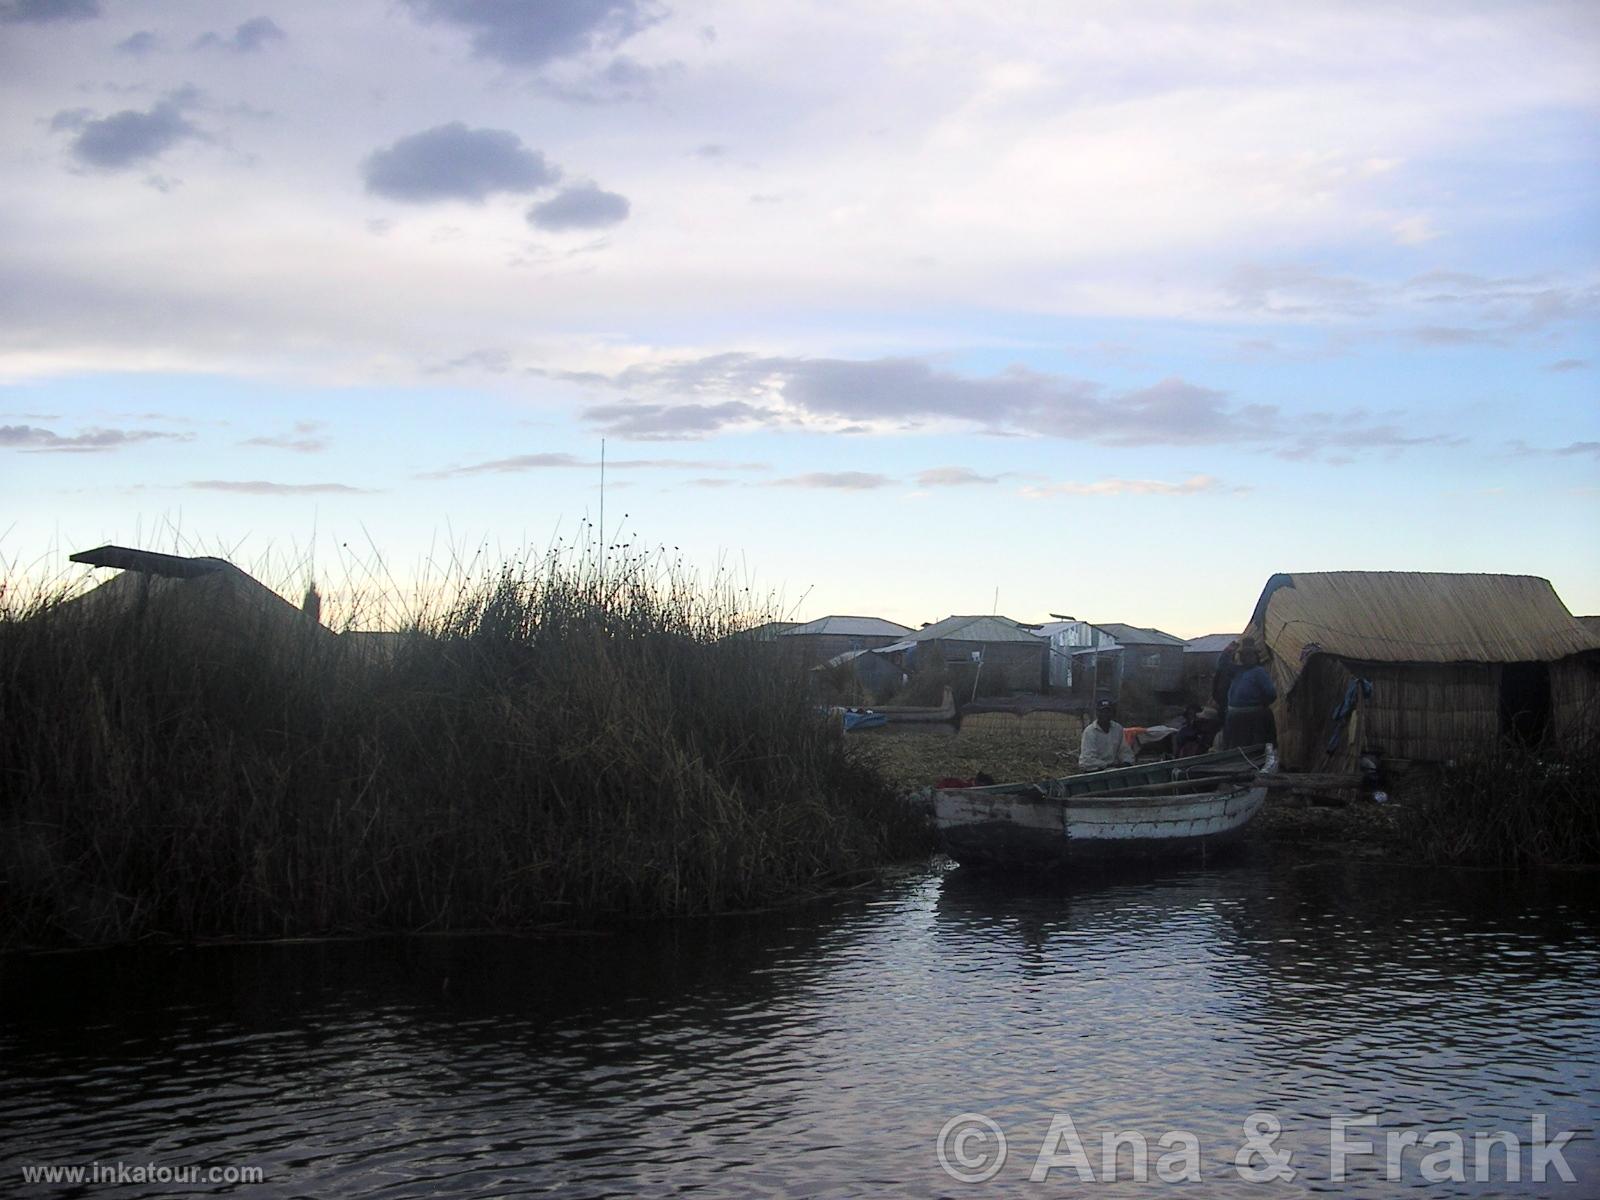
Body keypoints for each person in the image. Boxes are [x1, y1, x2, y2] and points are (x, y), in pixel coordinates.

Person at [1223, 640, 1278, 750]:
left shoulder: (1259, 672)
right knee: (1234, 748)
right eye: (1243, 655)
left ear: (1255, 657)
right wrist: (1228, 651)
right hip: (1234, 716)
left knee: (1254, 747)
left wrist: (1260, 705)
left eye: (1249, 655)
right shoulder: (1237, 671)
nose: (1246, 658)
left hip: (1253, 715)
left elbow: (1271, 693)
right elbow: (1222, 666)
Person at [1079, 699, 1134, 771]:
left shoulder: (1118, 729)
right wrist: (1107, 765)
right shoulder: (1089, 732)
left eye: (1108, 712)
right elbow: (1088, 759)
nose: (1105, 714)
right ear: (1097, 713)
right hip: (1094, 770)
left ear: (1112, 713)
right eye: (1102, 712)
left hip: (1114, 769)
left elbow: (1125, 751)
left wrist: (1127, 762)